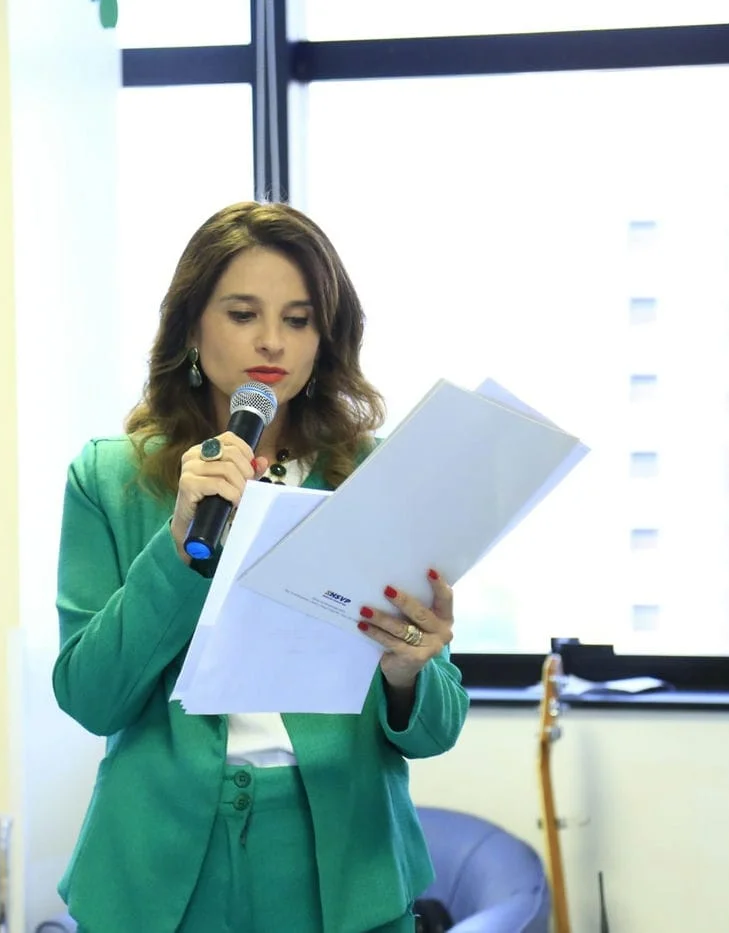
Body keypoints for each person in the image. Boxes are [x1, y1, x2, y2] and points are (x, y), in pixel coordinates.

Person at [52, 201, 470, 933]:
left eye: (299, 319)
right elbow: (91, 698)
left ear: (325, 339)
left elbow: (435, 732)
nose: (272, 340)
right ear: (191, 327)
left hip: (345, 867)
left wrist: (409, 672)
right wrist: (178, 546)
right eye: (243, 313)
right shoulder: (109, 478)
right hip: (155, 870)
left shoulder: (374, 476)